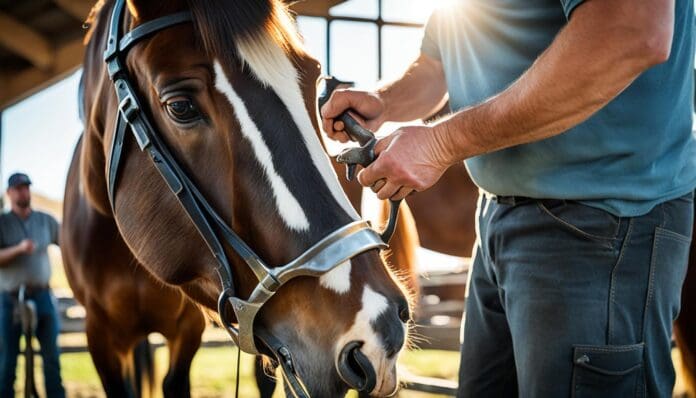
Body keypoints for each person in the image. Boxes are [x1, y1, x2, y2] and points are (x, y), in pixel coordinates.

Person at [321, 0, 695, 397]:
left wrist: (440, 143)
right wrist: (385, 101)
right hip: (498, 217)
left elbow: (632, 32)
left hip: (599, 224)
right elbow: (442, 59)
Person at [0, 173, 65, 398]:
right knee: (7, 362)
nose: (23, 192)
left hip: (43, 297)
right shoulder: (2, 222)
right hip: (9, 300)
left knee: (52, 360)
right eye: (18, 188)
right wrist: (18, 249)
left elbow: (67, 241)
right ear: (9, 193)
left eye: (26, 187)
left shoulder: (46, 220)